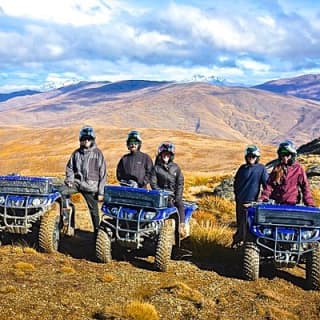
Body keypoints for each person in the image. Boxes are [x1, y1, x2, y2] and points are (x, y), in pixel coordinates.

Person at [61, 125, 107, 235]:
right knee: (61, 192)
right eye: (84, 139)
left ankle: (98, 235)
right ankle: (66, 223)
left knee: (94, 212)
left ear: (92, 140)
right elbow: (69, 168)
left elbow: (103, 174)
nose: (86, 141)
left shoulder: (98, 154)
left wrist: (101, 192)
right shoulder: (76, 153)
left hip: (91, 187)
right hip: (77, 183)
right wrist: (70, 180)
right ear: (80, 140)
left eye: (88, 139)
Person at [232, 145, 268, 247]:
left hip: (253, 204)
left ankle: (249, 247)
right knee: (240, 224)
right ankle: (237, 243)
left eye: (253, 156)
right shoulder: (242, 168)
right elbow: (236, 183)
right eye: (249, 156)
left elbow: (267, 185)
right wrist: (237, 196)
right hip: (240, 202)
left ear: (257, 157)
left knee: (251, 227)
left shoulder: (261, 169)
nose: (251, 158)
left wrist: (263, 199)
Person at [260, 140, 314, 206]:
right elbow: (269, 186)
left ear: (292, 155)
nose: (284, 157)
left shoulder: (298, 169)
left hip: (292, 205)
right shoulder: (277, 168)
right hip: (277, 205)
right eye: (282, 155)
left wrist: (309, 203)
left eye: (287, 155)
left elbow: (305, 187)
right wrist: (263, 198)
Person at [150, 142, 187, 237]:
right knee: (170, 208)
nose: (166, 156)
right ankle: (168, 233)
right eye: (164, 154)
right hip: (161, 195)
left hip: (173, 194)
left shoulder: (176, 168)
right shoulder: (156, 168)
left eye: (168, 154)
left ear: (171, 156)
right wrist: (161, 193)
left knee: (180, 205)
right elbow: (153, 183)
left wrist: (178, 196)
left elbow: (180, 183)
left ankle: (181, 227)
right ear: (160, 154)